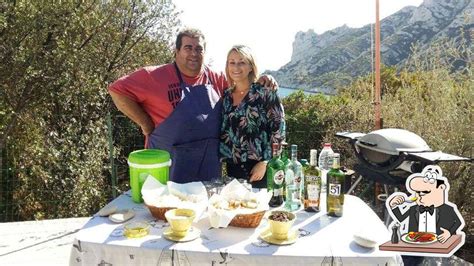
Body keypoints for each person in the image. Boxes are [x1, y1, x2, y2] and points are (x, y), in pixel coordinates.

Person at [109, 28, 277, 183]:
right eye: (188, 48)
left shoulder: (217, 77)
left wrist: (264, 78)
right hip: (168, 168)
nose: (194, 54)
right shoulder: (153, 76)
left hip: (208, 169)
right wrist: (144, 122)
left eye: (199, 49)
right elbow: (116, 90)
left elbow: (243, 86)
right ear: (176, 51)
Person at [219, 45, 285, 188]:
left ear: (250, 66)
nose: (236, 67)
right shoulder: (225, 97)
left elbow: (279, 131)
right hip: (233, 169)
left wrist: (266, 162)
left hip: (261, 169)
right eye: (232, 62)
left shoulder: (265, 93)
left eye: (242, 62)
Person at [388, 165, 463, 244]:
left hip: (438, 244)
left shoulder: (447, 209)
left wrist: (449, 233)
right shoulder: (414, 208)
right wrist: (393, 205)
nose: (419, 196)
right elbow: (401, 219)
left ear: (440, 189)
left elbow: (458, 222)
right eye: (417, 192)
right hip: (415, 244)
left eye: (424, 192)